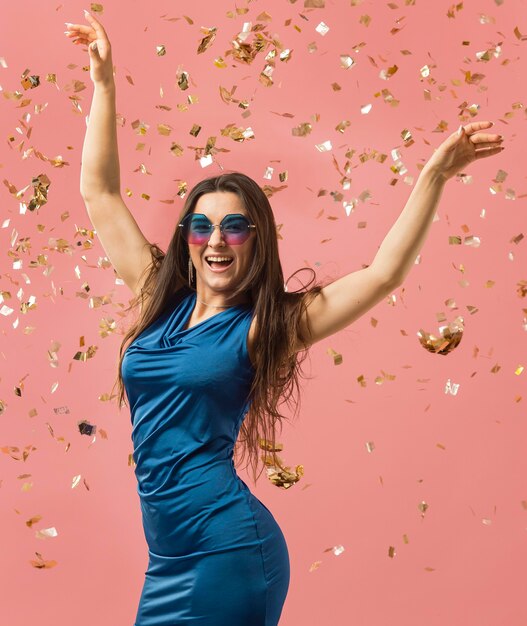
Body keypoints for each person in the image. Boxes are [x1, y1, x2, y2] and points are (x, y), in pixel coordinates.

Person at [64, 9, 504, 626]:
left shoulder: (265, 326)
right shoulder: (156, 298)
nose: (217, 239)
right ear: (187, 238)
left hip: (228, 549)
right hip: (167, 554)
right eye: (202, 225)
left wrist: (433, 176)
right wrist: (105, 82)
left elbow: (381, 275)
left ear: (257, 240)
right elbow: (100, 192)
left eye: (235, 226)